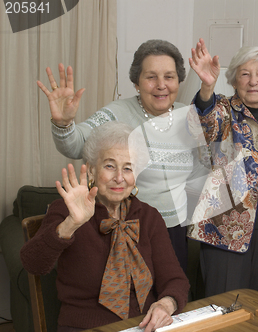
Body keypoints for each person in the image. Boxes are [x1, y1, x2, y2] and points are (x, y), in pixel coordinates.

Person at [37, 39, 208, 272]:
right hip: (130, 225)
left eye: (169, 76)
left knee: (172, 296)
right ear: (136, 83)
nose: (161, 85)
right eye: (151, 77)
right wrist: (64, 123)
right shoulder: (117, 112)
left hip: (175, 230)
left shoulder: (188, 115)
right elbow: (76, 146)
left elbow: (202, 166)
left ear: (178, 81)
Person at [20, 122, 190, 332]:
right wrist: (70, 225)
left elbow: (175, 279)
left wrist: (166, 304)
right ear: (91, 170)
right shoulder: (66, 211)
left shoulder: (149, 216)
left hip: (145, 326)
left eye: (128, 168)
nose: (119, 177)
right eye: (110, 166)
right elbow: (32, 263)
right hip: (85, 327)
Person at [185, 38, 258, 298]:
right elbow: (204, 123)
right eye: (245, 74)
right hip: (224, 233)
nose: (253, 81)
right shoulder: (222, 110)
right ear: (234, 80)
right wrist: (206, 88)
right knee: (223, 310)